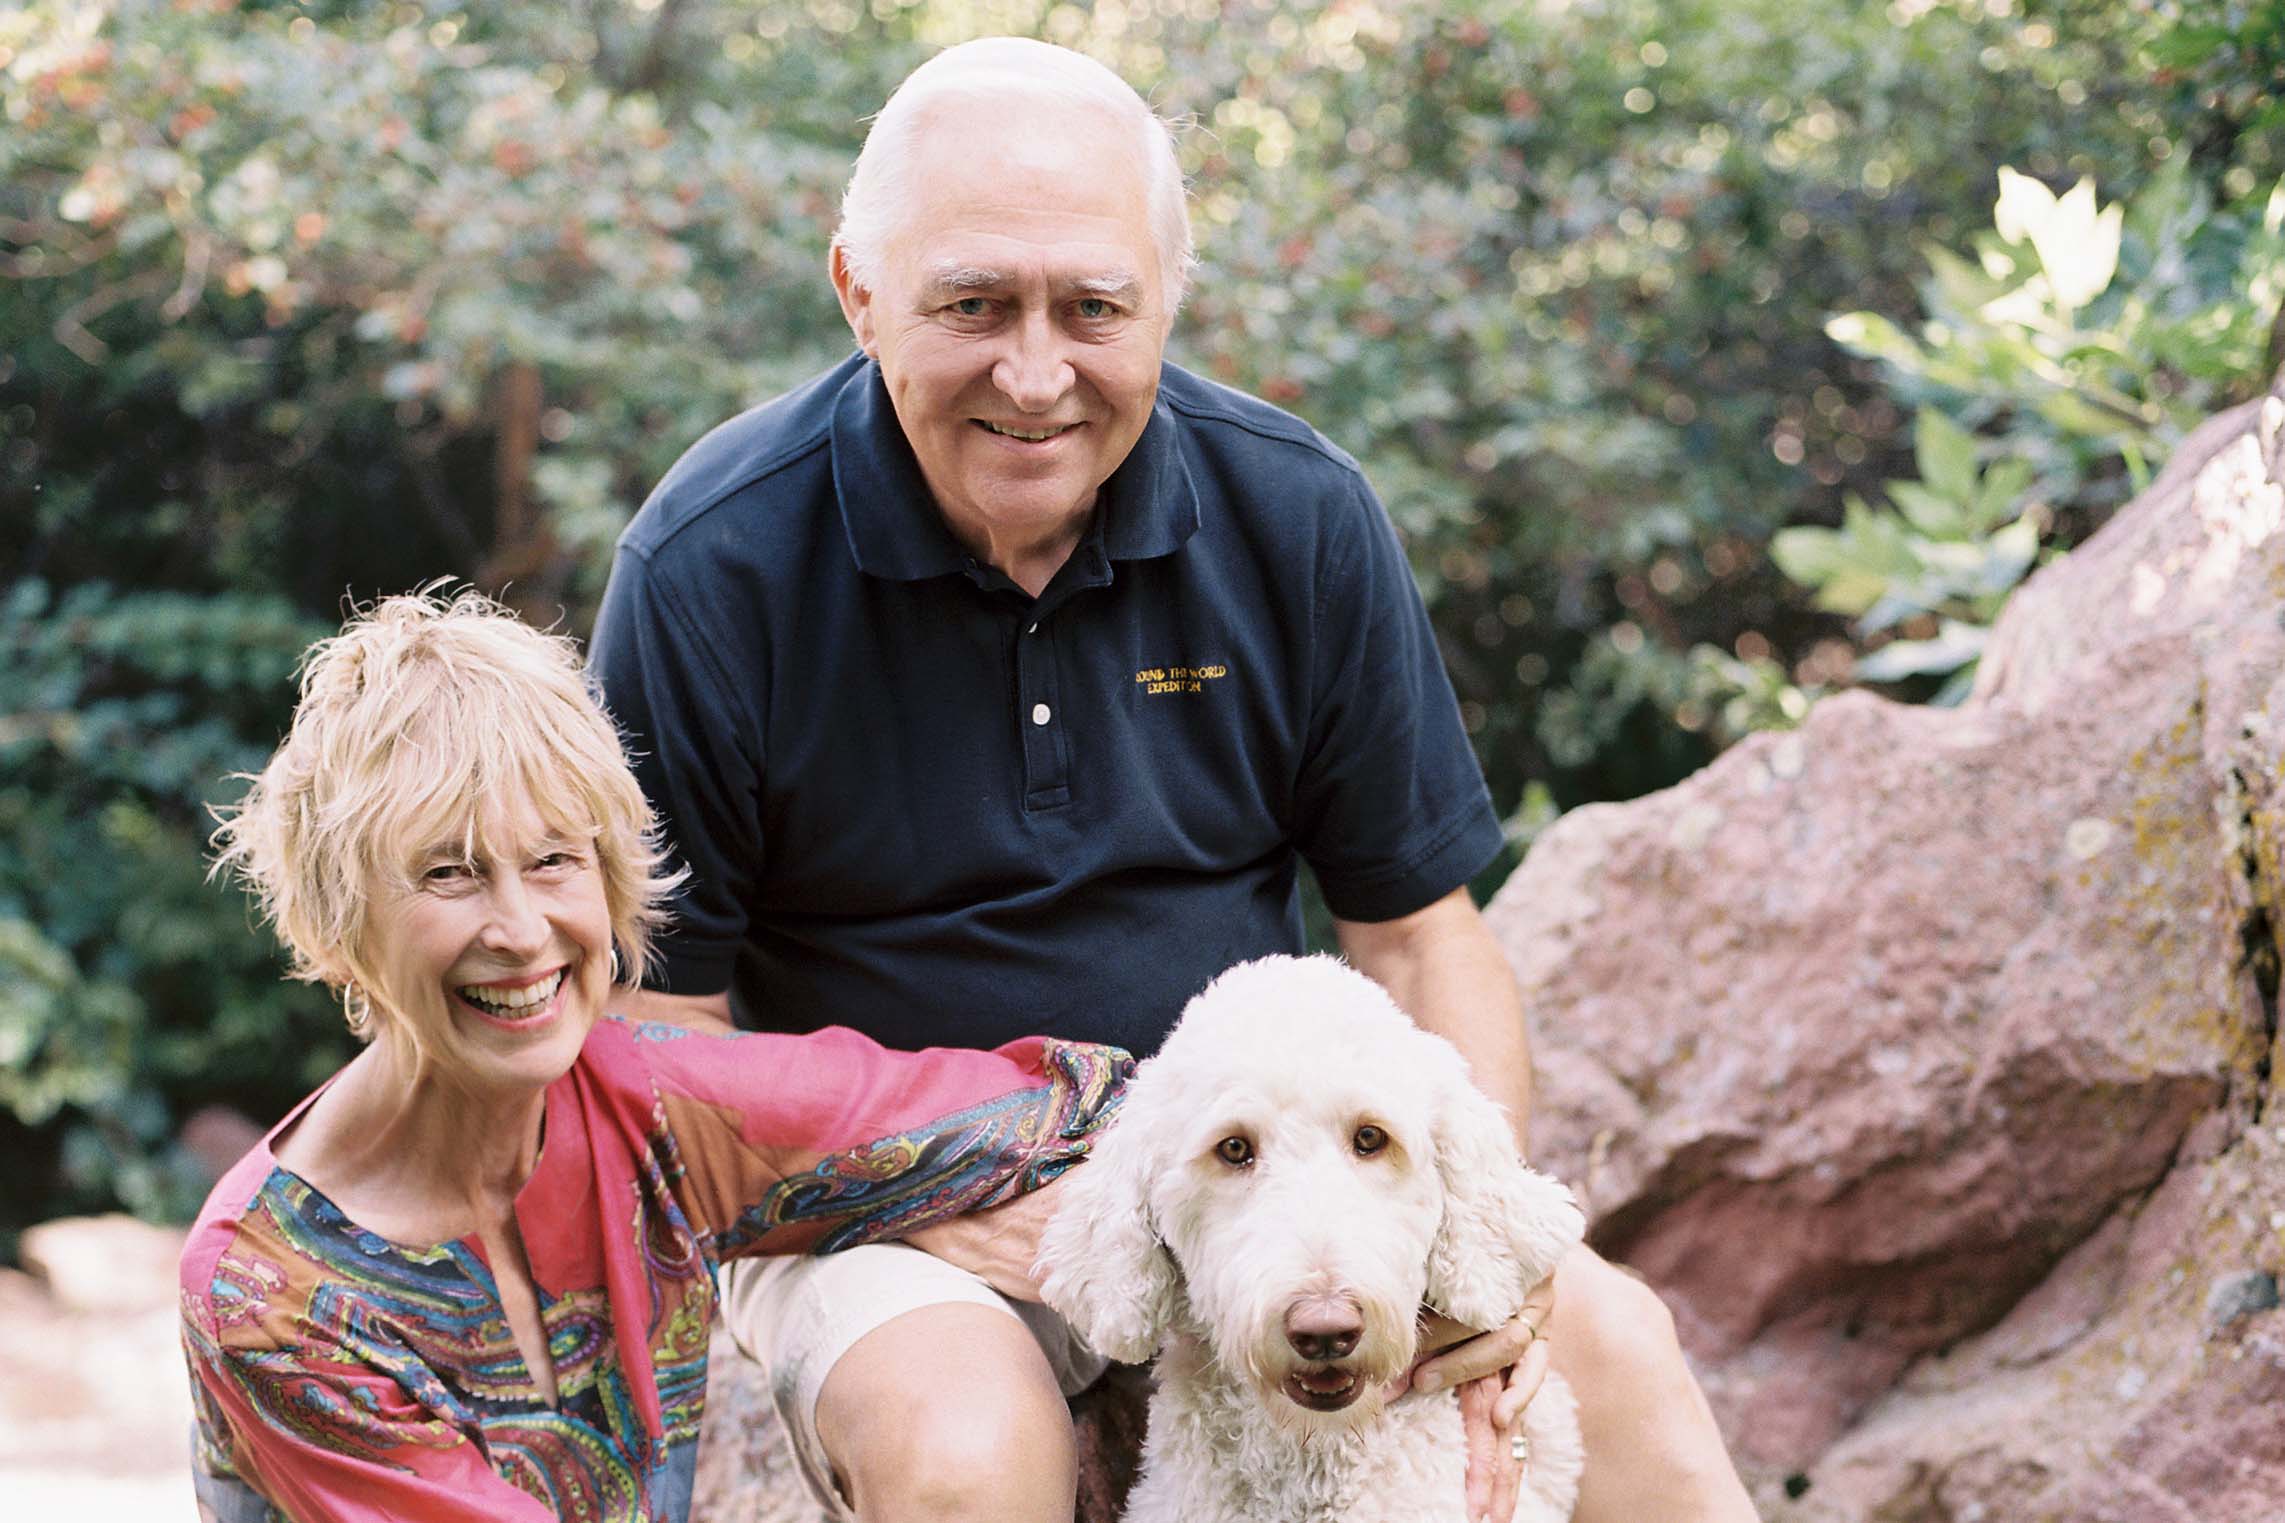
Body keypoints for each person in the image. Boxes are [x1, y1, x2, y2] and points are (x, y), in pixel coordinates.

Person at [591, 36, 1757, 1523]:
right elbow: (655, 1033)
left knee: (1622, 1350)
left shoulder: (1298, 516)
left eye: (1091, 307)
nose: (1034, 371)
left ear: (1165, 299)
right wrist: (917, 1202)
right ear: (857, 292)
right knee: (969, 1455)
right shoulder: (711, 566)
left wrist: (1476, 1248)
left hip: (1261, 1165)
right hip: (889, 1210)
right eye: (971, 305)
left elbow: (1418, 932)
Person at [178, 589, 1130, 1523]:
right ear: (340, 923)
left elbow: (1042, 1111)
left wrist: (914, 1202)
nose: (519, 929)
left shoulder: (644, 1095)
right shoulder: (272, 1294)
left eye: (555, 858)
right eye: (449, 872)